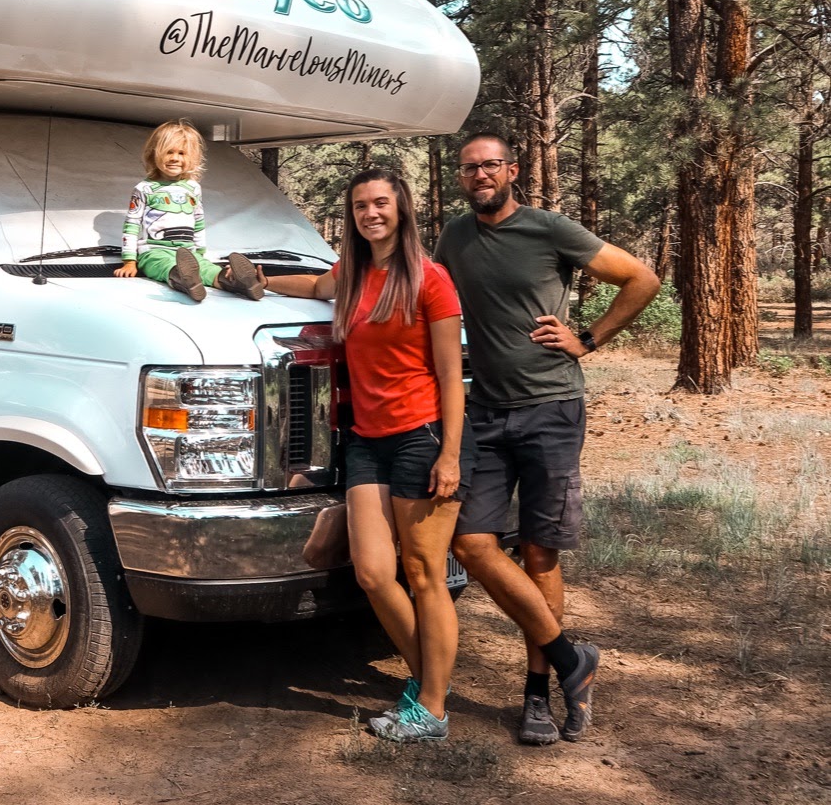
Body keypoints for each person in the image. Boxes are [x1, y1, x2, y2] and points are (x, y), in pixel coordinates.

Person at [434, 130, 660, 746]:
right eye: (469, 168)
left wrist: (588, 338)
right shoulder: (453, 237)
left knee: (539, 554)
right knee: (472, 542)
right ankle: (570, 659)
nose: (479, 175)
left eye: (490, 166)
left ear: (512, 170)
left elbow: (641, 278)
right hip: (485, 411)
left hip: (550, 409)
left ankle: (537, 694)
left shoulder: (549, 229)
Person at [269, 165, 474, 743]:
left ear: (401, 208)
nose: (370, 214)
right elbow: (313, 287)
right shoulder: (353, 275)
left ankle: (430, 709)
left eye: (380, 203)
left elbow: (452, 376)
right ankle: (430, 683)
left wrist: (450, 456)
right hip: (367, 441)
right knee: (374, 573)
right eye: (360, 206)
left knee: (425, 574)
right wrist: (256, 278)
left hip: (422, 437)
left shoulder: (431, 280)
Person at [114, 121, 265, 302]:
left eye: (182, 153)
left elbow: (198, 222)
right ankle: (184, 279)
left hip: (188, 253)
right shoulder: (145, 188)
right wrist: (129, 261)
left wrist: (200, 253)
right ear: (154, 153)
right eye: (169, 152)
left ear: (192, 158)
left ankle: (235, 282)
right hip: (154, 251)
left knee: (209, 270)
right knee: (163, 266)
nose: (175, 158)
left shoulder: (193, 188)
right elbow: (131, 225)